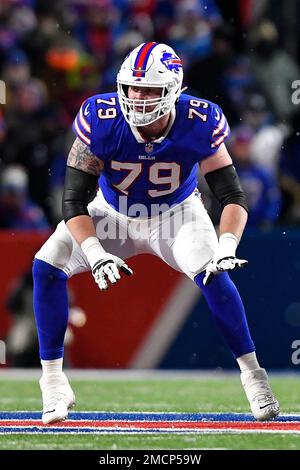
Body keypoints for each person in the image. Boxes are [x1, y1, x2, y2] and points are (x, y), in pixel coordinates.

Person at [32, 42, 280, 424]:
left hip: (176, 215)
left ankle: (254, 377)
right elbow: (73, 202)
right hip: (112, 213)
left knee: (215, 274)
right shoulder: (101, 118)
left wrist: (227, 244)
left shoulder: (199, 122)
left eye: (148, 90)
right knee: (47, 266)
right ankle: (52, 382)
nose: (137, 97)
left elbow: (232, 195)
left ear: (174, 91)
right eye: (132, 87)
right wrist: (96, 253)